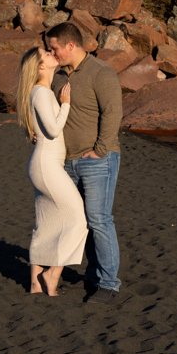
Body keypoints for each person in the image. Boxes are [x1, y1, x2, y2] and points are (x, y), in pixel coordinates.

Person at [43, 21, 123, 304]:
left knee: (99, 220)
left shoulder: (101, 72)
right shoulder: (58, 76)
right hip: (68, 162)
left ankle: (109, 285)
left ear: (70, 45)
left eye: (54, 48)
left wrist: (99, 150)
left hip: (98, 159)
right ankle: (92, 276)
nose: (51, 53)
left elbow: (113, 112)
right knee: (81, 222)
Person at [15, 46, 88, 296]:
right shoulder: (41, 92)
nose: (50, 52)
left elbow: (42, 128)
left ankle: (36, 284)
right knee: (78, 218)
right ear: (40, 66)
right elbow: (54, 130)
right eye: (45, 53)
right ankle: (51, 274)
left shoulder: (39, 91)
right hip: (46, 165)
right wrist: (65, 105)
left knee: (46, 224)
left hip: (44, 164)